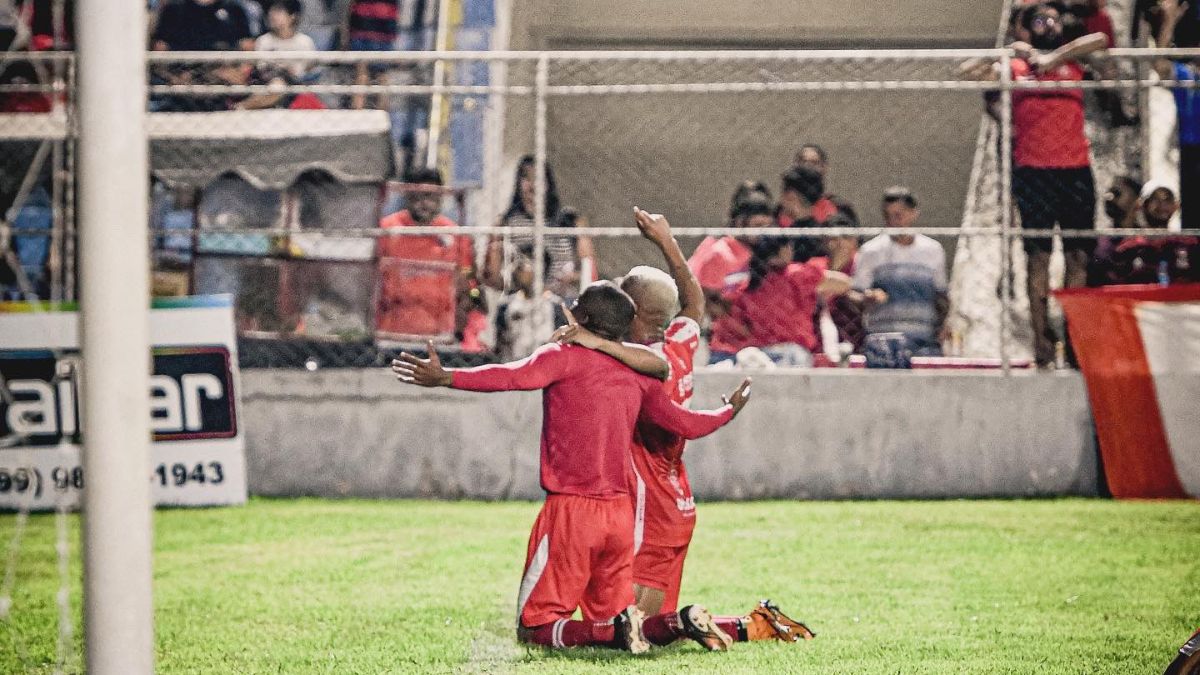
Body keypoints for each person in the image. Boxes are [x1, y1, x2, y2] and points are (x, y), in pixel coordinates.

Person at [391, 281, 752, 653]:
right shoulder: (639, 374)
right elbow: (685, 423)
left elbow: (509, 376)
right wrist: (727, 410)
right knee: (621, 620)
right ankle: (678, 621)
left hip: (573, 512)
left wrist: (447, 377)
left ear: (582, 317)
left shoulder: (561, 357)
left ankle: (612, 633)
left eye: (576, 304)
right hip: (619, 517)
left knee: (535, 626)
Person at [559, 207, 814, 648]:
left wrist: (587, 339)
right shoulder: (679, 343)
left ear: (635, 313)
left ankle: (723, 623)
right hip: (676, 500)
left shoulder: (640, 366)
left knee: (625, 631)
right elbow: (694, 303)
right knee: (653, 632)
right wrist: (666, 242)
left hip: (648, 510)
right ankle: (755, 623)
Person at [960, 2, 1108, 367]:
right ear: (1026, 28)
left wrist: (1054, 59)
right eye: (1041, 20)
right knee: (1037, 258)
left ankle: (1075, 337)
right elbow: (966, 72)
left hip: (1075, 169)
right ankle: (1041, 338)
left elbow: (1101, 39)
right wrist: (1011, 52)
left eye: (1054, 19)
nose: (1050, 24)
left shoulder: (1071, 62)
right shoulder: (1015, 67)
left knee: (1078, 256)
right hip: (1033, 171)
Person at [375, 168, 478, 342]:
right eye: (419, 196)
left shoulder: (454, 234)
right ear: (408, 196)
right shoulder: (388, 230)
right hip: (392, 329)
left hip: (440, 331)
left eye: (432, 197)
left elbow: (468, 281)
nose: (425, 203)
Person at [850, 187, 949, 357]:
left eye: (898, 215)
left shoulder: (933, 251)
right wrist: (868, 297)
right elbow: (855, 293)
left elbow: (941, 295)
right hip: (883, 341)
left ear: (913, 213)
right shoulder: (871, 251)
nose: (892, 222)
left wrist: (943, 326)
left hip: (924, 340)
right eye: (887, 216)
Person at [482, 156, 592, 301]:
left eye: (539, 179)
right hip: (521, 302)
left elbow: (588, 269)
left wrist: (570, 279)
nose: (533, 185)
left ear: (548, 184)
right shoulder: (505, 223)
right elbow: (492, 276)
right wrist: (517, 282)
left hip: (562, 300)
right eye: (527, 178)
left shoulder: (570, 221)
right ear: (519, 183)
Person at [687, 187, 772, 364]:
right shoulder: (721, 253)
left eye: (766, 227)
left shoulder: (757, 253)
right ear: (741, 223)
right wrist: (741, 329)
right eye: (757, 226)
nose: (762, 233)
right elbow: (708, 302)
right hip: (715, 335)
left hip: (746, 335)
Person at [1154, 0, 1200, 230]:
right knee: (1193, 213)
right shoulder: (1186, 74)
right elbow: (1159, 64)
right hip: (1192, 148)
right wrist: (1169, 20)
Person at [254, 0, 317, 79]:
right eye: (271, 11)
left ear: (293, 16)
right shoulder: (263, 41)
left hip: (298, 84)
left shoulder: (305, 42)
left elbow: (311, 70)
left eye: (278, 11)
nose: (272, 15)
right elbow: (261, 69)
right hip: (270, 84)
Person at [792, 143, 839, 224]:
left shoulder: (839, 207)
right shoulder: (781, 210)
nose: (807, 167)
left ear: (824, 168)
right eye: (803, 162)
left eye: (814, 163)